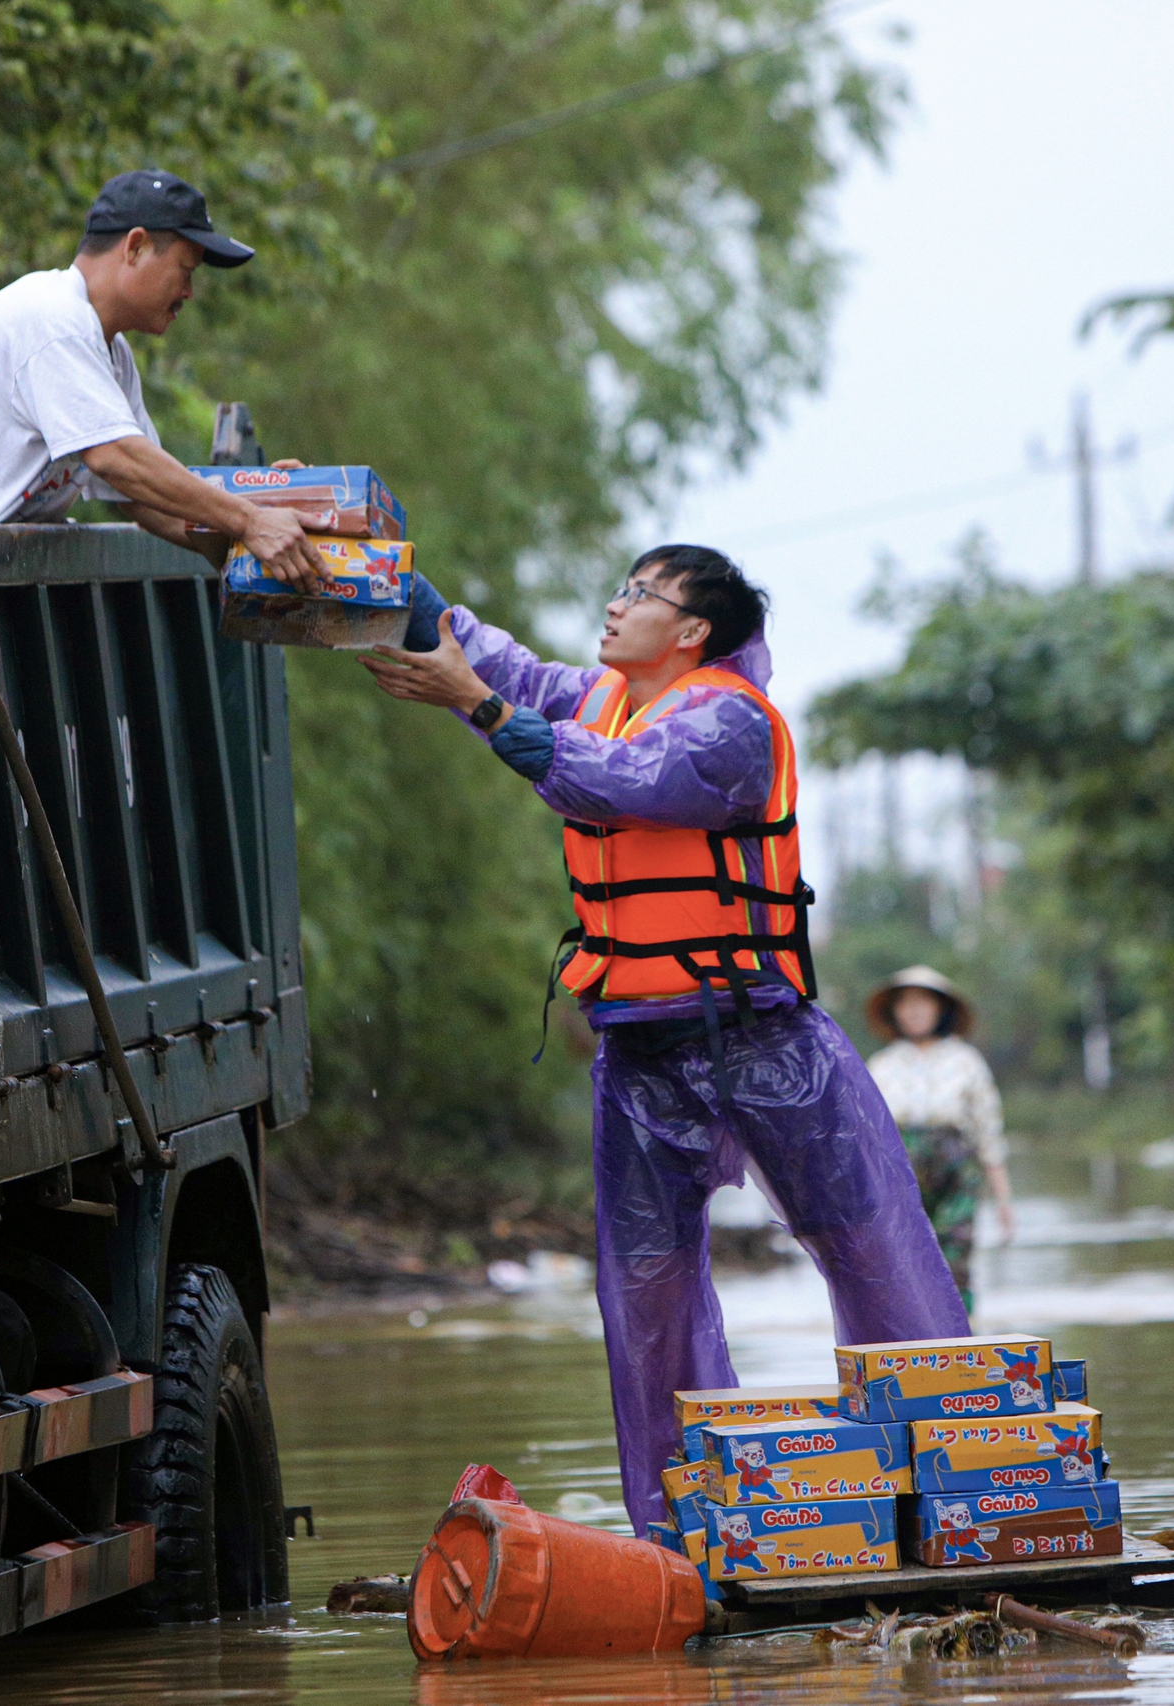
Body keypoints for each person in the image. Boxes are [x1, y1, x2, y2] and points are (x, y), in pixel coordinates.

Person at [357, 545, 969, 1534]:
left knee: (872, 1252)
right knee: (645, 1298)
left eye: (641, 593)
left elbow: (616, 781)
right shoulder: (599, 694)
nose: (615, 603)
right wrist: (385, 570)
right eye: (622, 585)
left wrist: (475, 706)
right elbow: (494, 662)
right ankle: (680, 1527)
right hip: (640, 1047)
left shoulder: (728, 722)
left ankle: (962, 1479)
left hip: (761, 1038)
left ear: (691, 631)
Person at [0, 168, 324, 585]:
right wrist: (250, 519)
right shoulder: (53, 318)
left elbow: (151, 500)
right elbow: (116, 459)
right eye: (185, 270)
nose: (189, 293)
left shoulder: (108, 352)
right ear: (135, 246)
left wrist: (266, 502)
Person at [863, 967, 1012, 1300]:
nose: (914, 1011)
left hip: (956, 1170)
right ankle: (914, 1341)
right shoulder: (881, 1064)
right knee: (902, 1255)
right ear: (894, 1012)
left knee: (955, 1252)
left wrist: (1003, 1199)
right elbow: (865, 1135)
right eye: (905, 1003)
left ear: (940, 1009)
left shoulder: (965, 1061)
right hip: (899, 1169)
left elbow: (989, 1131)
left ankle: (962, 1333)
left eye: (923, 1002)